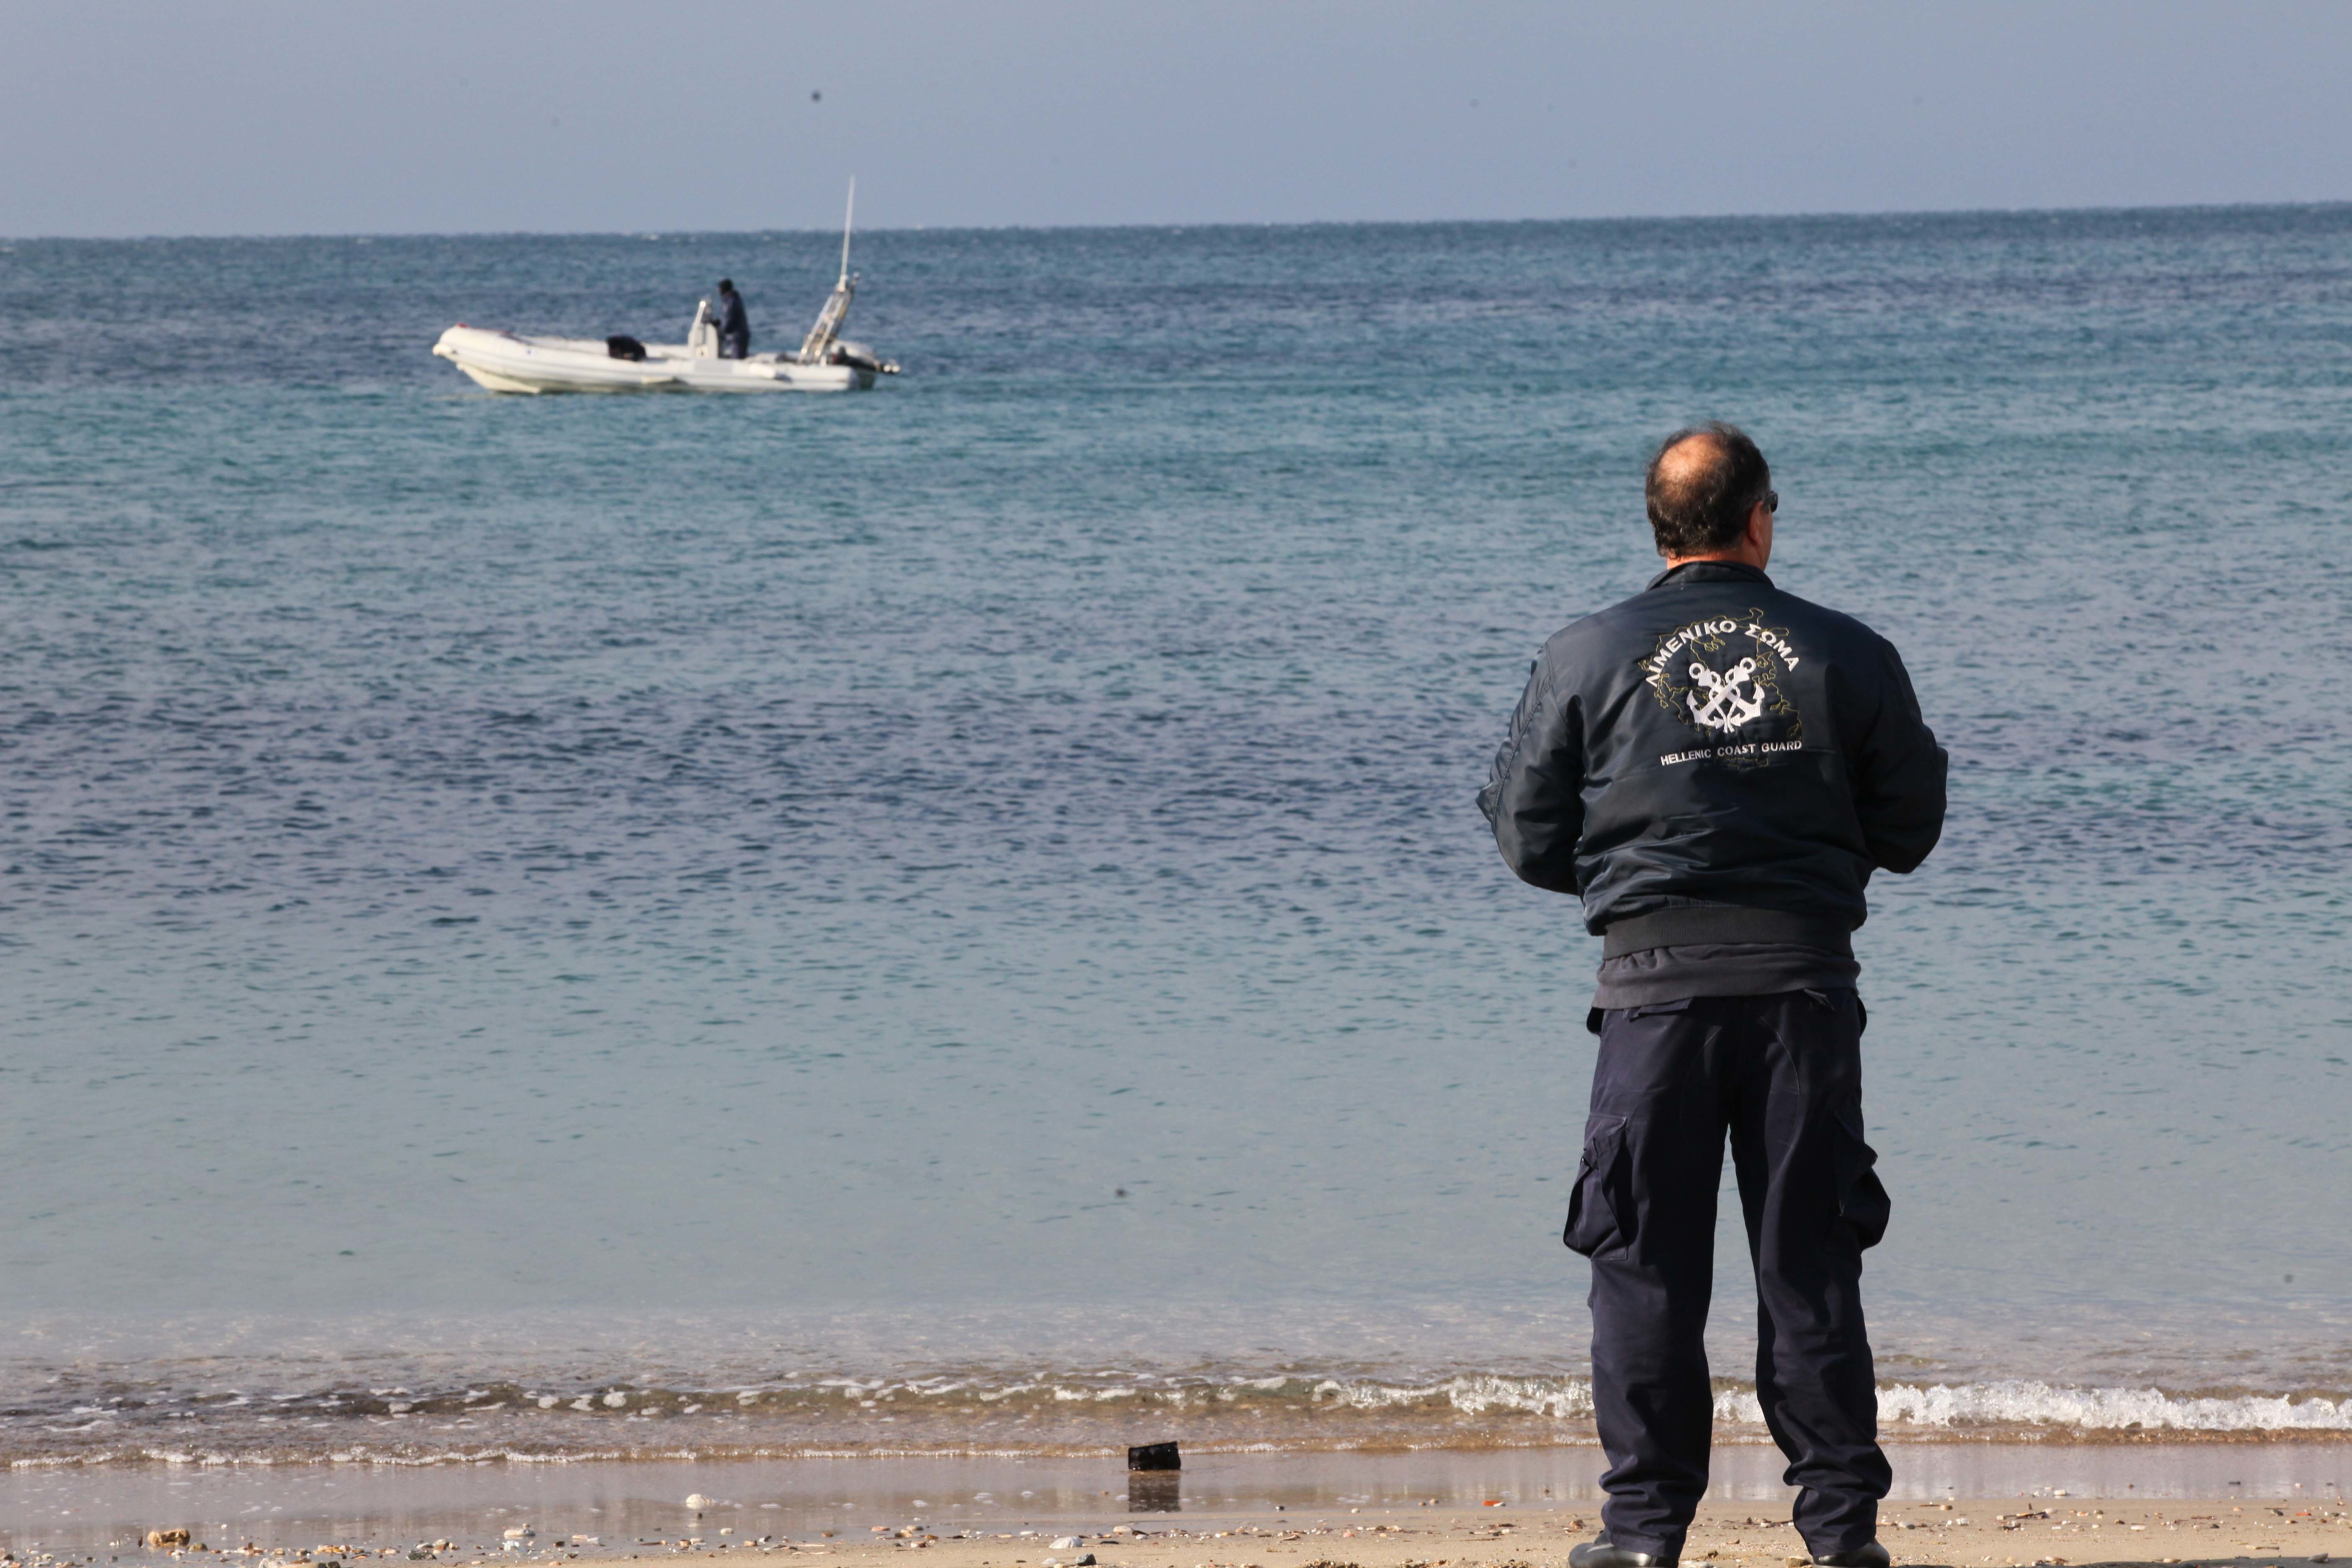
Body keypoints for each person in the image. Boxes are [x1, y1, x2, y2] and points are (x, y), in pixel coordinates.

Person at [1478, 424, 1946, 1568]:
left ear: (1659, 528)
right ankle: (1841, 1537)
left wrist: (1625, 878)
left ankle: (1643, 1535)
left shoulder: (1585, 653)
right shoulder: (1846, 650)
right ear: (1759, 520)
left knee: (1642, 1267)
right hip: (1801, 994)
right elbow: (1912, 827)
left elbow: (1525, 832)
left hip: (1653, 997)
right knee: (1809, 1263)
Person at [714, 279, 750, 358]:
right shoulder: (735, 299)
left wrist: (720, 330)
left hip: (736, 338)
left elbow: (728, 323)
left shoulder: (729, 302)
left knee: (737, 360)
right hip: (740, 336)